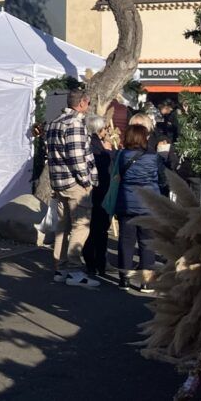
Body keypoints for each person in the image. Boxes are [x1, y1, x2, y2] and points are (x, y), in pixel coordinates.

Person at [47, 90, 100, 288]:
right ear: (83, 103)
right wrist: (86, 181)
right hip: (75, 183)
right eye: (88, 103)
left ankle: (60, 268)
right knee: (81, 226)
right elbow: (77, 157)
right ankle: (74, 271)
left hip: (59, 182)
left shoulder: (54, 122)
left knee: (63, 226)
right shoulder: (75, 123)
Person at [115, 124, 163, 293]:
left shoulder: (120, 155)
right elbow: (163, 179)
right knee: (147, 243)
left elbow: (115, 175)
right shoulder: (154, 158)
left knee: (126, 241)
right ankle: (146, 281)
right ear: (144, 138)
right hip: (148, 204)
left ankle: (124, 279)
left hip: (126, 203)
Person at [82, 114, 113, 278]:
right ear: (100, 130)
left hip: (89, 192)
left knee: (90, 228)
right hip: (100, 192)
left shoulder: (86, 144)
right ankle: (98, 263)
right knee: (99, 230)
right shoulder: (100, 150)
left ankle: (91, 262)